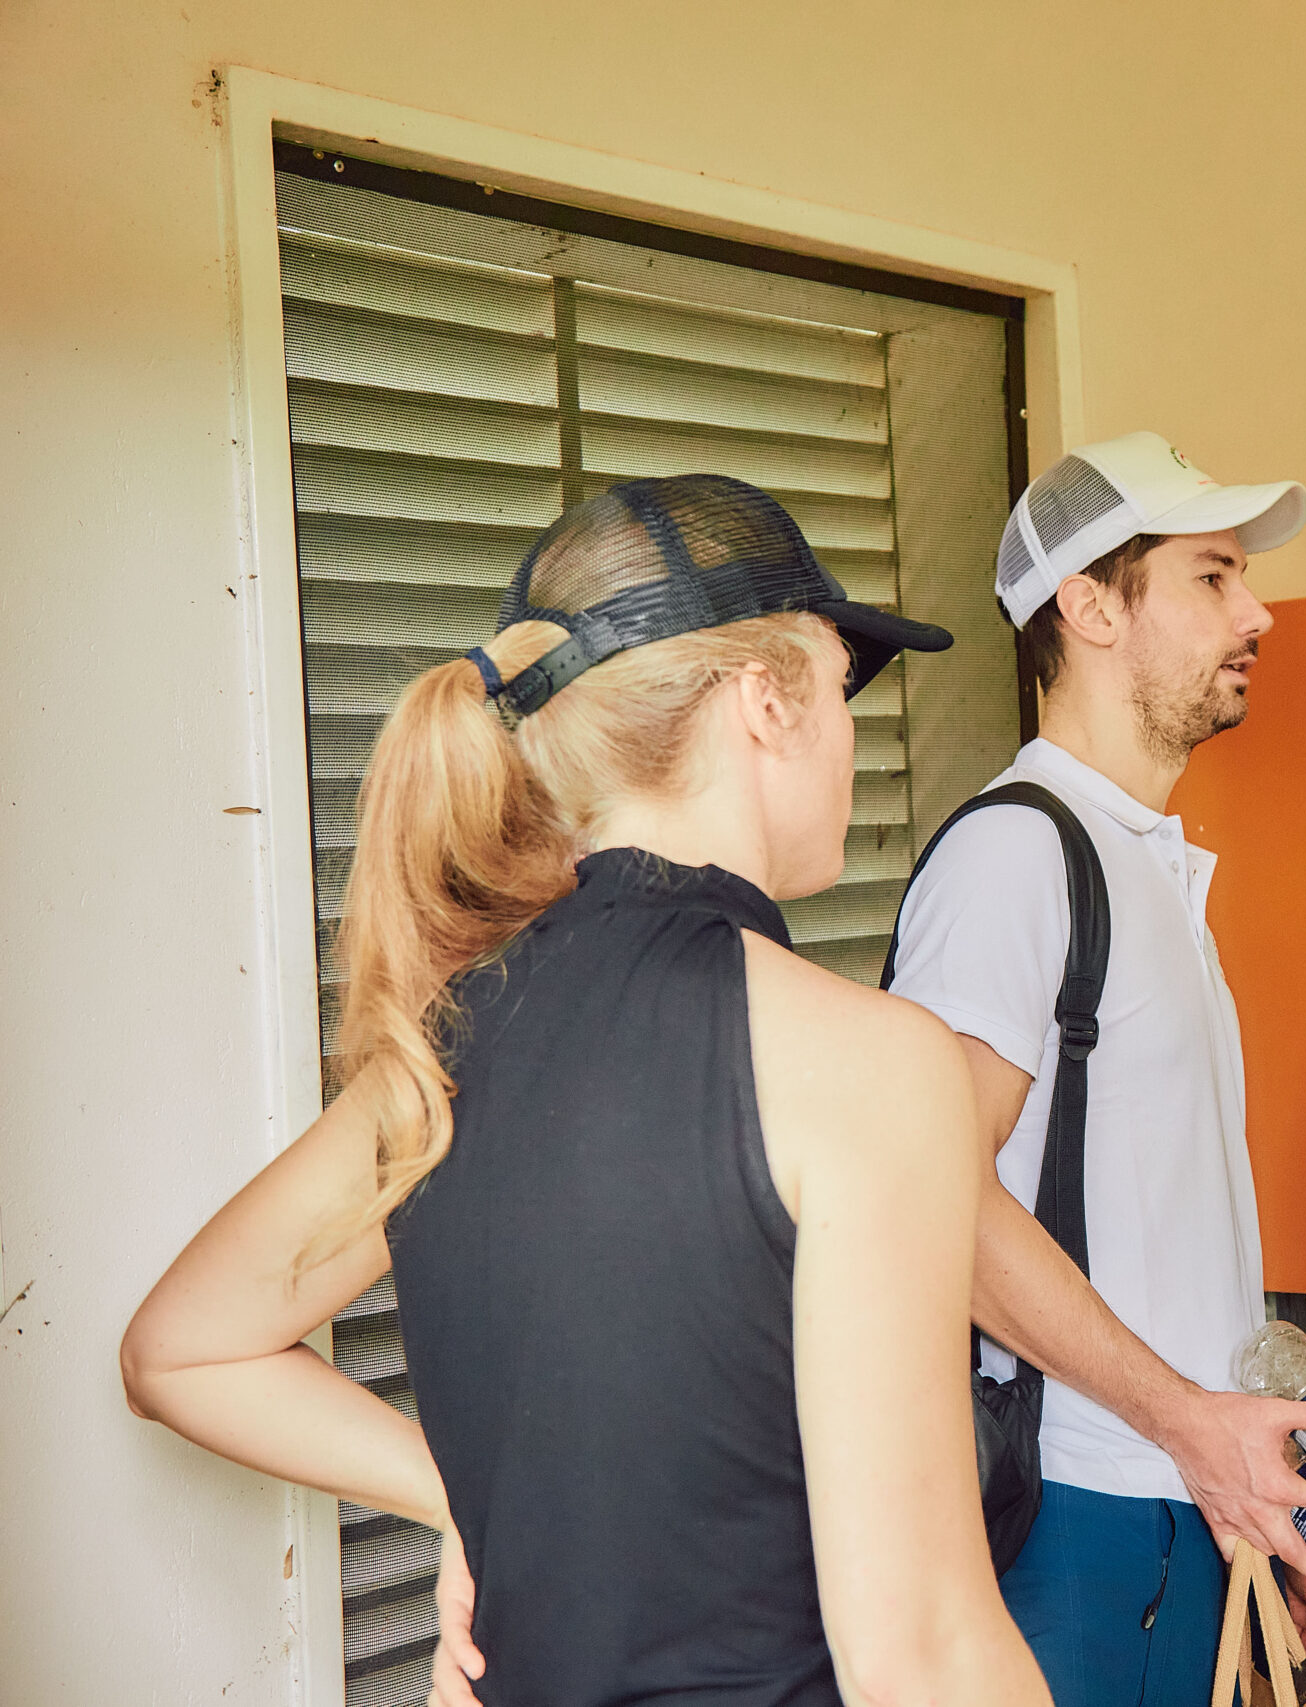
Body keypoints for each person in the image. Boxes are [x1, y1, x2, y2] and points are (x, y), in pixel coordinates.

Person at [121, 475, 1049, 1707]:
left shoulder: (441, 1055)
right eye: (840, 686)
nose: (851, 735)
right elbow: (918, 1654)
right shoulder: (868, 1063)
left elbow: (181, 1351)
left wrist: (459, 1497)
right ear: (764, 702)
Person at [887, 430, 1306, 1705]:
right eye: (1212, 576)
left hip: (1180, 1504)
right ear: (1091, 608)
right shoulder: (1013, 856)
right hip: (1082, 1518)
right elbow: (932, 1204)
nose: (1257, 613)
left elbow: (1170, 1252)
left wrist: (1261, 1492)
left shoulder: (1139, 861)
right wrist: (1187, 1429)